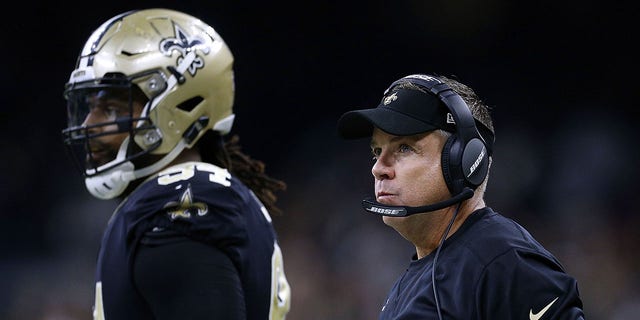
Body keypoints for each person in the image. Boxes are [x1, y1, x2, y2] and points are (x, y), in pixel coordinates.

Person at [61, 8, 291, 320]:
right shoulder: (197, 194)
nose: (90, 124)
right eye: (90, 107)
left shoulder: (179, 206)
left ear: (180, 106)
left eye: (112, 108)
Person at [337, 73, 584, 319]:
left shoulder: (503, 261)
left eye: (404, 147)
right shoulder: (407, 285)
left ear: (462, 160)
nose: (378, 168)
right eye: (377, 151)